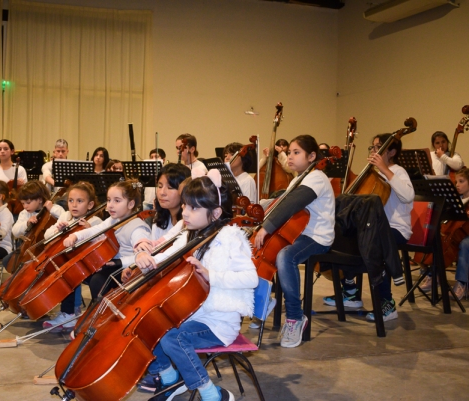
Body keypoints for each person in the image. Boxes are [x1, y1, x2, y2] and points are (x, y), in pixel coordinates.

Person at [127, 168, 257, 401]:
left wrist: (211, 275)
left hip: (219, 322)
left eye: (194, 207)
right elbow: (163, 257)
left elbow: (251, 278)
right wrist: (144, 260)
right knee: (148, 325)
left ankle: (212, 393)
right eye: (185, 205)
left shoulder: (230, 238)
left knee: (172, 338)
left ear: (216, 212)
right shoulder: (191, 235)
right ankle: (169, 380)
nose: (185, 212)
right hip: (192, 315)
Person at [254, 135, 335, 348]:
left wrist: (266, 227)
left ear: (312, 156)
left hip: (318, 237)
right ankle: (260, 303)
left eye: (296, 152)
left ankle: (295, 317)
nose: (290, 156)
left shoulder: (316, 178)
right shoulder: (298, 179)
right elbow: (282, 202)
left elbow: (291, 204)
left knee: (285, 256)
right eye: (289, 152)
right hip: (299, 234)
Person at [323, 133, 414, 322]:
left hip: (395, 229)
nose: (374, 151)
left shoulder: (398, 171)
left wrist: (384, 170)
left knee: (373, 243)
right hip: (372, 230)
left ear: (392, 152)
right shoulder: (371, 175)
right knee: (338, 236)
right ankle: (350, 291)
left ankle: (387, 303)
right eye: (373, 147)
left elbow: (408, 196)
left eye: (379, 147)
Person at [63, 179, 150, 303]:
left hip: (128, 269)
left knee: (98, 280)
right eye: (109, 200)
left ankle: (102, 311)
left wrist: (119, 262)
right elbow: (96, 230)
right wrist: (75, 236)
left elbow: (144, 256)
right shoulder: (113, 220)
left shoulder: (137, 227)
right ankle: (87, 310)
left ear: (131, 204)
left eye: (117, 201)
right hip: (112, 264)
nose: (110, 205)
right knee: (77, 271)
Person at [41, 182, 103, 331]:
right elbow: (46, 235)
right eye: (71, 200)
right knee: (63, 270)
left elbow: (102, 243)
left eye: (80, 201)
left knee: (68, 274)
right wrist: (58, 229)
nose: (74, 205)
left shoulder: (95, 221)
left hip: (91, 266)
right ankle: (69, 313)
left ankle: (69, 314)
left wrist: (90, 231)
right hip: (74, 263)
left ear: (90, 205)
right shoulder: (66, 216)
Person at [6, 181, 65, 271]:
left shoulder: (55, 208)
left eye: (28, 202)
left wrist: (51, 209)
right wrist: (26, 223)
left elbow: (65, 219)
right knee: (7, 261)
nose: (25, 206)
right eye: (22, 203)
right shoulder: (24, 213)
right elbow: (15, 232)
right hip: (29, 248)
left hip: (48, 249)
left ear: (40, 199)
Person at [450, 168, 469, 299]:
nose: (457, 185)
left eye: (461, 181)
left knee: (465, 245)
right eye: (456, 181)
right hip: (459, 232)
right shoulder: (457, 200)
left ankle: (462, 283)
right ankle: (433, 275)